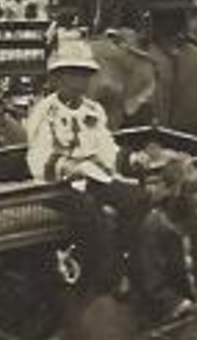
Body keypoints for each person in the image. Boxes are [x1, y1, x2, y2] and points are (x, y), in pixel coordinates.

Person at [25, 40, 146, 293]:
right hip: (56, 186)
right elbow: (37, 157)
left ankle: (132, 264)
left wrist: (129, 159)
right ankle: (103, 279)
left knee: (136, 199)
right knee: (89, 211)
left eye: (84, 75)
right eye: (73, 74)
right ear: (57, 78)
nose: (80, 81)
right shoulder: (44, 112)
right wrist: (68, 167)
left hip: (92, 177)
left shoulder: (94, 110)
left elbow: (106, 147)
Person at [131, 155, 197, 326]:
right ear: (177, 192)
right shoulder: (152, 227)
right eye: (192, 191)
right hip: (163, 314)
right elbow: (152, 282)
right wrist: (185, 306)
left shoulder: (192, 219)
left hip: (196, 307)